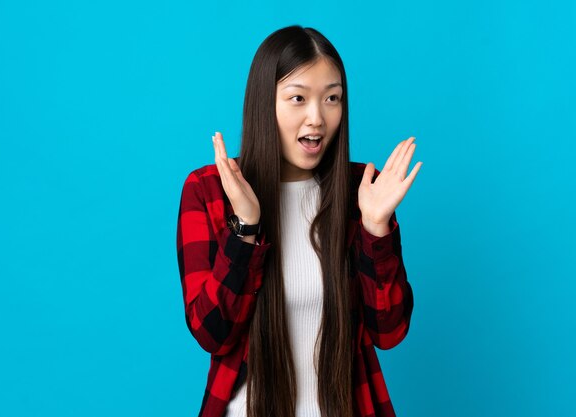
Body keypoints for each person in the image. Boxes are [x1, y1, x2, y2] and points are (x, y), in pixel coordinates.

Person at [176, 25, 422, 417]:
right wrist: (246, 226)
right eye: (298, 98)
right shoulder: (210, 190)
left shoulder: (361, 191)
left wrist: (376, 227)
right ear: (264, 103)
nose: (317, 117)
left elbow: (389, 332)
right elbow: (212, 333)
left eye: (332, 98)